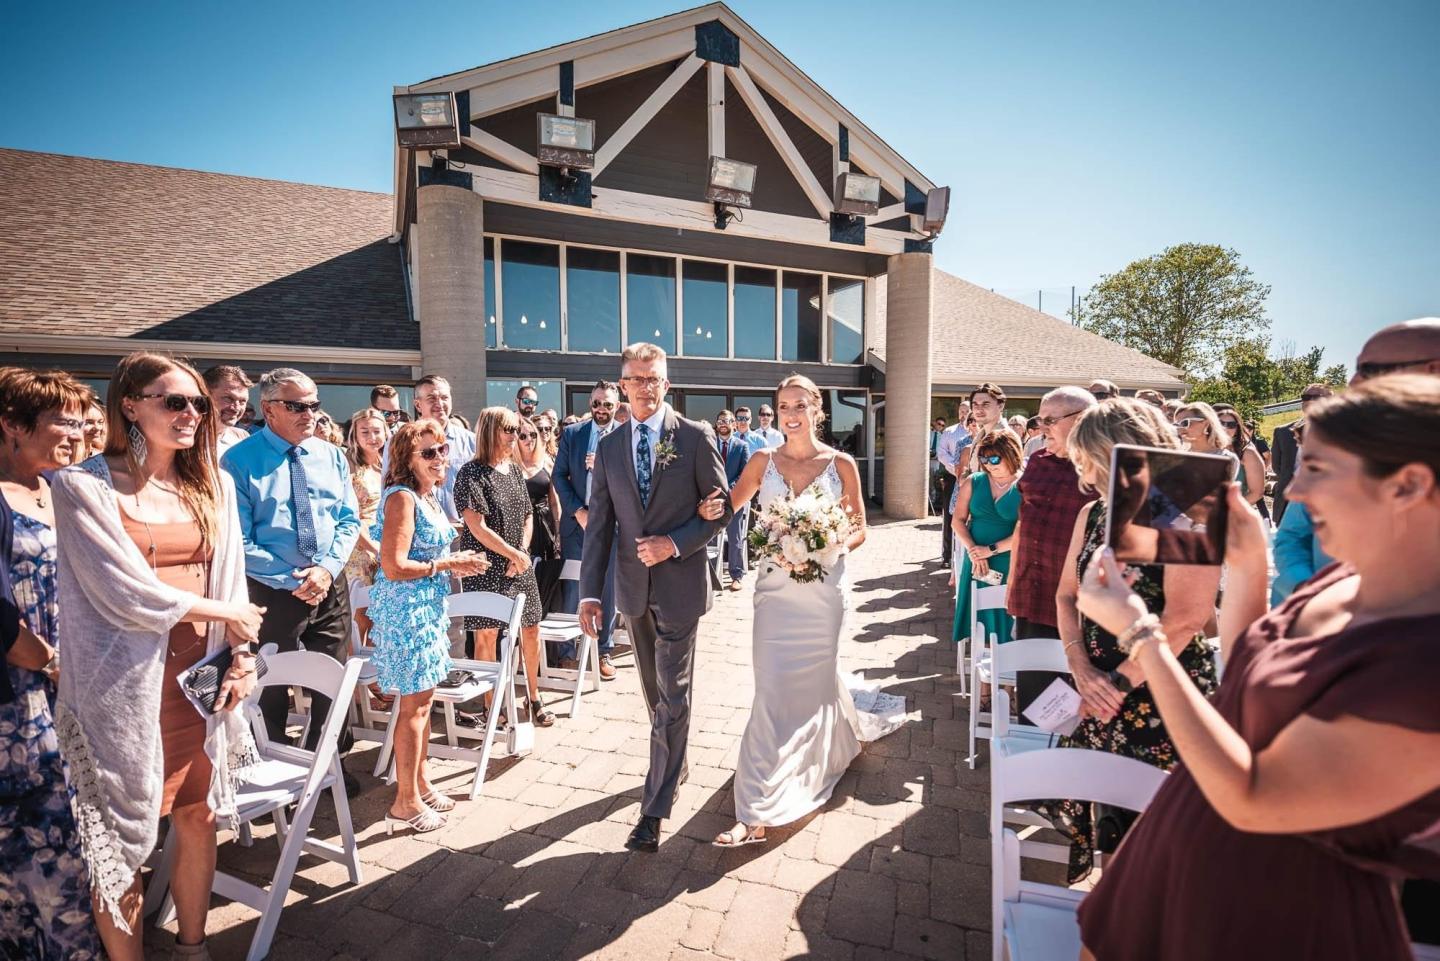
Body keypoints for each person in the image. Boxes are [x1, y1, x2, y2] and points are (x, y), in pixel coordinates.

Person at [1073, 374, 1440, 961]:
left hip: (1270, 907)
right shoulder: (1346, 581)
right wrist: (1248, 560)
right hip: (1181, 851)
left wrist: (1141, 634)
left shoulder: (1424, 650)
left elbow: (1255, 798)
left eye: (1317, 468)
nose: (1293, 487)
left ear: (1409, 485)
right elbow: (1246, 671)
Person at [53, 352, 266, 959]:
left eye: (199, 402)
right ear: (130, 405)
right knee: (120, 842)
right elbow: (122, 592)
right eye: (175, 401)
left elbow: (233, 581)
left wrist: (243, 653)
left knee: (199, 818)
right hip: (122, 690)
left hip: (200, 685)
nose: (192, 413)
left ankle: (194, 947)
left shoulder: (214, 483)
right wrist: (227, 617)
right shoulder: (81, 487)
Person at [697, 374, 899, 846]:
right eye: (783, 405)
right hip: (774, 594)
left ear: (817, 410)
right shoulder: (762, 460)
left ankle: (819, 755)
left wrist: (823, 547)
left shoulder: (842, 463)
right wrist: (707, 511)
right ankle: (755, 808)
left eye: (800, 405)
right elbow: (729, 506)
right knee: (771, 690)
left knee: (812, 686)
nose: (790, 413)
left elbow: (859, 529)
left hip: (824, 592)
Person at [1039, 397, 1221, 883]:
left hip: (1163, 695)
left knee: (1163, 838)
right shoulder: (1092, 515)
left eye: (1088, 461)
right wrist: (1080, 667)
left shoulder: (1185, 506)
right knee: (1114, 828)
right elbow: (1064, 597)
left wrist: (1117, 683)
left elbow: (1187, 618)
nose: (1083, 473)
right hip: (1098, 688)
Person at [578, 343, 730, 854]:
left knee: (673, 691)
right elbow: (600, 524)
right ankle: (676, 759)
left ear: (667, 383)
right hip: (631, 590)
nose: (645, 385)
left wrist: (675, 542)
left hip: (682, 586)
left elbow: (721, 509)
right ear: (622, 383)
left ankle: (654, 809)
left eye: (654, 378)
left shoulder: (694, 436)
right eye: (635, 378)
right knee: (653, 691)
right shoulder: (612, 446)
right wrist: (588, 596)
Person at [0, 369, 104, 960]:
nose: (76, 430)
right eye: (61, 420)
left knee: (84, 829)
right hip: (21, 700)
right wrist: (53, 663)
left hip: (73, 682)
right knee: (43, 843)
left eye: (79, 418)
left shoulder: (58, 487)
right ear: (12, 424)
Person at [221, 368, 360, 772]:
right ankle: (274, 766)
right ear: (268, 409)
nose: (309, 414)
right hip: (271, 592)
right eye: (297, 406)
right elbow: (238, 540)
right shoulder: (238, 461)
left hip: (329, 586)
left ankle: (327, 767)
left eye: (314, 405)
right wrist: (293, 579)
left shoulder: (330, 454)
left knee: (332, 682)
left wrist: (327, 570)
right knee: (271, 687)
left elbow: (349, 520)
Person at [368, 420, 488, 834]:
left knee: (424, 702)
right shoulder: (401, 498)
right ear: (407, 459)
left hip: (429, 604)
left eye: (442, 450)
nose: (441, 458)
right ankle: (404, 801)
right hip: (407, 611)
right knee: (414, 707)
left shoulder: (430, 495)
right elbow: (393, 566)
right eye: (430, 453)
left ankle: (420, 782)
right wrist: (449, 563)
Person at [454, 407, 554, 727]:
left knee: (531, 628)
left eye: (517, 430)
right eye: (508, 430)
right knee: (487, 635)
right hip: (485, 566)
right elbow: (477, 526)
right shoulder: (470, 473)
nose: (515, 436)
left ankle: (534, 696)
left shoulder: (513, 469)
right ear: (490, 431)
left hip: (518, 562)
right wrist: (513, 554)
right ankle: (491, 706)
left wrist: (520, 552)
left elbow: (528, 514)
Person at [1006, 386, 1097, 708]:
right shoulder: (1036, 463)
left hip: (1082, 608)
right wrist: (1012, 582)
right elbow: (1022, 523)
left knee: (1078, 702)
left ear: (1083, 420)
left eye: (1050, 420)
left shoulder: (1103, 473)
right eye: (1039, 419)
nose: (1040, 428)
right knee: (1036, 701)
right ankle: (1034, 756)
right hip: (1032, 596)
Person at [552, 381, 621, 678]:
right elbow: (559, 476)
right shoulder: (573, 433)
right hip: (578, 524)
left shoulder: (625, 436)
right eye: (596, 404)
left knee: (608, 590)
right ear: (590, 404)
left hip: (614, 525)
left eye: (607, 404)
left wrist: (606, 468)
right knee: (574, 589)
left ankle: (603, 651)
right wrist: (578, 511)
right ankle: (568, 652)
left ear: (617, 406)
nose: (601, 409)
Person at [950, 428, 1022, 641]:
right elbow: (957, 521)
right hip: (976, 559)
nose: (988, 464)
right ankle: (982, 660)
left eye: (994, 458)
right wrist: (974, 551)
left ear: (1010, 453)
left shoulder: (1026, 485)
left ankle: (1005, 662)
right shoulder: (975, 481)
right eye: (984, 458)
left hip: (1008, 557)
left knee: (1004, 615)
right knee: (978, 612)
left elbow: (1025, 530)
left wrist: (990, 550)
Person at [381, 375, 475, 523]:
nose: (439, 404)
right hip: (418, 536)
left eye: (444, 397)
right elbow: (389, 488)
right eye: (431, 399)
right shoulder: (399, 442)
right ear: (418, 405)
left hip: (464, 535)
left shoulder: (471, 442)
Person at [343, 408, 389, 708]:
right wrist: (375, 549)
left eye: (376, 431)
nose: (372, 437)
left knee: (379, 618)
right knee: (359, 620)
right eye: (365, 432)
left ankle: (371, 678)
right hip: (360, 553)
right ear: (354, 436)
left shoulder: (386, 466)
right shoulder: (352, 470)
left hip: (384, 549)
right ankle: (356, 686)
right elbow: (352, 518)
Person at [516, 415, 563, 615]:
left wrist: (559, 532)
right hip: (520, 526)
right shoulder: (509, 464)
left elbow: (554, 501)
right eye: (523, 435)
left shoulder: (547, 462)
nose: (529, 439)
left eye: (533, 434)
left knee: (546, 574)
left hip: (544, 525)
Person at [1271, 382, 1334, 522]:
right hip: (1289, 502)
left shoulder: (1342, 433)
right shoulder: (1282, 432)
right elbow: (1278, 467)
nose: (1310, 400)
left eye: (1316, 396)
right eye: (1306, 396)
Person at [713, 410, 752, 590]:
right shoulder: (709, 443)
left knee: (735, 536)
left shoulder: (741, 446)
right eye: (720, 420)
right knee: (709, 537)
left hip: (734, 498)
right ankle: (711, 574)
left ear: (733, 425)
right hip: (712, 497)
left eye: (726, 421)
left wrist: (728, 488)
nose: (722, 423)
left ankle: (737, 575)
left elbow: (745, 473)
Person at [1212, 403, 1269, 521]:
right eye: (1221, 423)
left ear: (1237, 428)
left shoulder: (1247, 452)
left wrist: (1229, 509)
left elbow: (1257, 492)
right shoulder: (1208, 449)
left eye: (1231, 425)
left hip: (1234, 516)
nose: (1225, 428)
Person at [934, 402, 972, 567]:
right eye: (960, 411)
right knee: (950, 516)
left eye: (966, 411)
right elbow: (942, 453)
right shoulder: (949, 432)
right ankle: (947, 556)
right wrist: (955, 469)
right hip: (952, 478)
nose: (963, 414)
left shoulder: (978, 432)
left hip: (972, 478)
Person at [202, 365, 253, 454]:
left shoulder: (242, 438)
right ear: (205, 395)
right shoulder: (183, 438)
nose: (236, 408)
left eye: (242, 401)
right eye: (228, 398)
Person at [81, 396, 108, 463]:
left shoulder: (104, 459)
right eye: (89, 422)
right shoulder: (63, 459)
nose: (97, 427)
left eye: (100, 422)